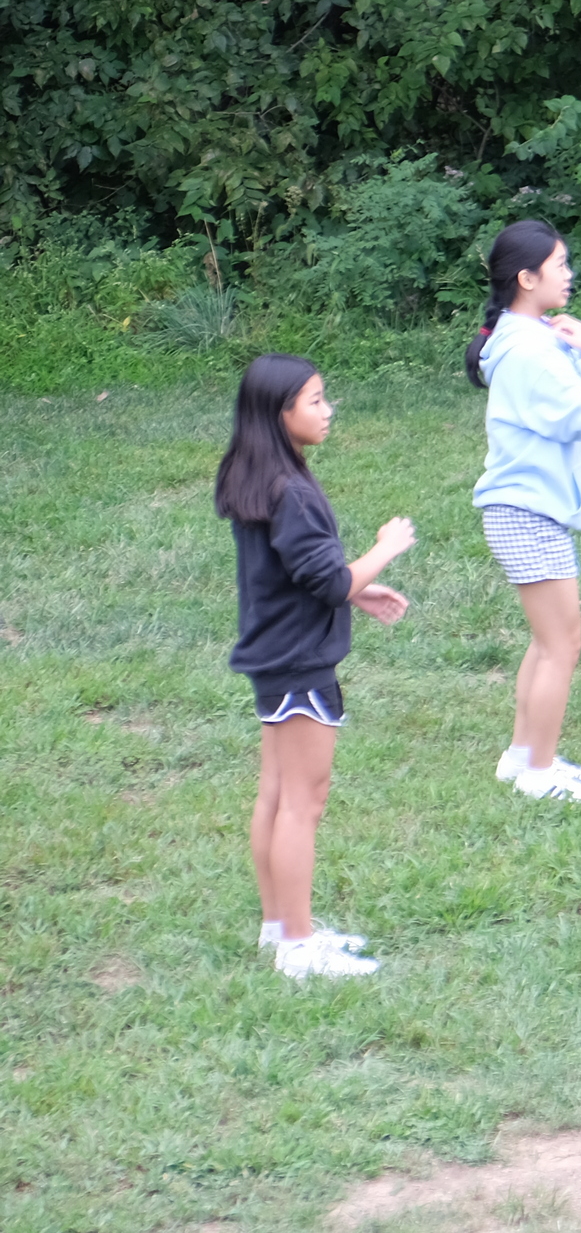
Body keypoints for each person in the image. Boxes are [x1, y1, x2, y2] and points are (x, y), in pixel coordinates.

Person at [219, 354, 416, 982]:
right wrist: (383, 551)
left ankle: (279, 928)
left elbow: (297, 576)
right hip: (300, 663)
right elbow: (327, 580)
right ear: (280, 414)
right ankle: (300, 949)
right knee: (303, 803)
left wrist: (358, 591)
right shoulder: (292, 491)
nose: (328, 411)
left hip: (274, 655)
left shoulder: (260, 476)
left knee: (277, 796)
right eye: (315, 401)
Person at [468, 220, 581, 803]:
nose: (569, 274)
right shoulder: (531, 353)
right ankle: (538, 775)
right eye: (560, 264)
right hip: (526, 512)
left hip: (526, 509)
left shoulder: (531, 336)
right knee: (563, 643)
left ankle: (522, 757)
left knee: (547, 642)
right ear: (526, 278)